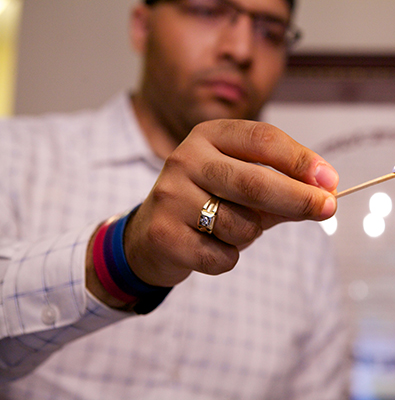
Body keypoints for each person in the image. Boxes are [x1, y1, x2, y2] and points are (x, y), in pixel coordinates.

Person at [0, 0, 350, 398]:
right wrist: (123, 256)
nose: (241, 50)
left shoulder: (303, 243)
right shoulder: (14, 159)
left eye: (269, 31)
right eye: (208, 10)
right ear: (141, 26)